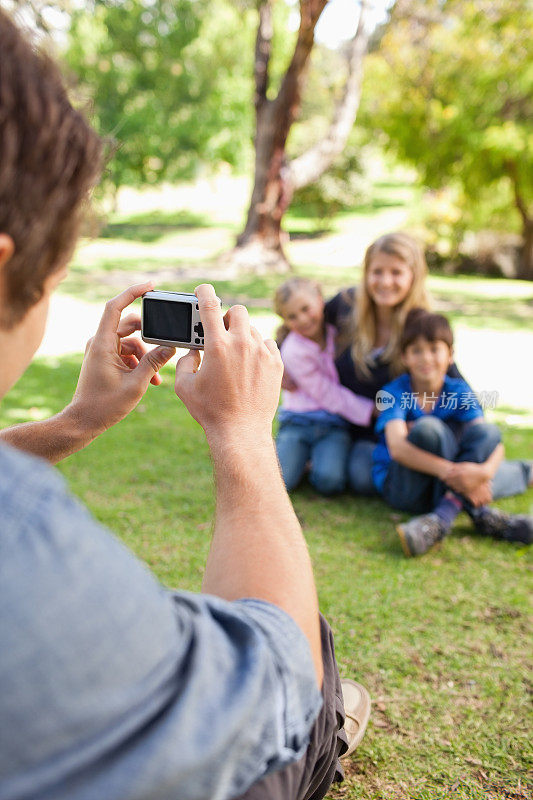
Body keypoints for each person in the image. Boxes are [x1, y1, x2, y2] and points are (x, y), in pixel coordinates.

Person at [0, 11, 370, 800]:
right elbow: (270, 687)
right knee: (298, 650)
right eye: (57, 271)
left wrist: (76, 423)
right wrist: (242, 436)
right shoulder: (21, 545)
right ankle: (335, 719)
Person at [323, 232, 533, 505]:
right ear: (366, 273)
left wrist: (479, 468)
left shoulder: (420, 326)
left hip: (417, 435)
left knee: (442, 448)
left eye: (396, 272)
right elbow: (301, 327)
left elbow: (458, 392)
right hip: (366, 435)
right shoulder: (345, 305)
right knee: (362, 477)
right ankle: (458, 489)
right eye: (377, 272)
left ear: (414, 276)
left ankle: (514, 473)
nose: (385, 281)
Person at [372, 309, 533, 556]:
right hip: (406, 488)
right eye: (416, 351)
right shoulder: (393, 393)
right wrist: (457, 475)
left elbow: (491, 441)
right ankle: (481, 513)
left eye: (434, 349)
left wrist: (481, 473)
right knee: (428, 430)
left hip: (442, 485)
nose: (426, 358)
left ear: (450, 355)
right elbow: (398, 448)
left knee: (488, 433)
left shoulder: (459, 391)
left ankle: (441, 517)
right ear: (404, 357)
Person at [274, 277, 374, 494]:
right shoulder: (293, 350)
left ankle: (312, 461)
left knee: (330, 482)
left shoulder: (336, 333)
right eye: (292, 316)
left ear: (320, 301)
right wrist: (368, 409)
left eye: (305, 308)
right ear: (285, 321)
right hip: (298, 422)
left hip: (333, 425)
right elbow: (326, 393)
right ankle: (291, 455)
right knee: (281, 483)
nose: (302, 319)